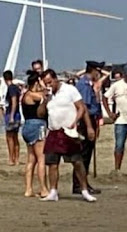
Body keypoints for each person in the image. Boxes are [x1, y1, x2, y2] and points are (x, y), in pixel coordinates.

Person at [39, 69, 96, 202]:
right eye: (46, 83)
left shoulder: (70, 90)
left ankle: (84, 190)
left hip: (68, 130)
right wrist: (45, 99)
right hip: (53, 130)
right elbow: (41, 113)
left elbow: (82, 107)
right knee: (52, 163)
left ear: (55, 79)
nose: (49, 85)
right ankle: (53, 191)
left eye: (50, 82)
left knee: (77, 161)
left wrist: (85, 125)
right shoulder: (48, 96)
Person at [74, 60, 104, 194]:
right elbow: (84, 107)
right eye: (98, 71)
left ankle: (82, 183)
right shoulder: (84, 85)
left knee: (86, 154)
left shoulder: (88, 84)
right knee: (84, 154)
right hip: (86, 121)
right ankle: (80, 184)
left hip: (91, 120)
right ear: (93, 70)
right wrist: (89, 127)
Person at [21, 71, 49, 198]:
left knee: (31, 159)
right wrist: (43, 85)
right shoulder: (32, 95)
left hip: (27, 126)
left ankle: (28, 189)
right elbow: (46, 95)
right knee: (41, 158)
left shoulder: (25, 95)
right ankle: (43, 188)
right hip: (37, 126)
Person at [2, 70, 21, 166]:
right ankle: (16, 159)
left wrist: (11, 116)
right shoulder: (16, 88)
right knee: (15, 137)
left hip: (12, 114)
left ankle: (12, 158)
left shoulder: (11, 88)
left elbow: (14, 101)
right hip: (16, 114)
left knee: (10, 137)